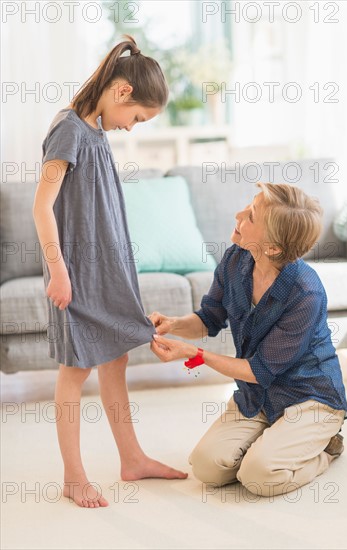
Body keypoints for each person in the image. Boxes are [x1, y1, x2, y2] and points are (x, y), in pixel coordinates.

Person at [33, 35, 187, 509]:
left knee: (115, 358)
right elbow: (42, 208)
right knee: (75, 369)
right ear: (122, 92)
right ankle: (73, 476)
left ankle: (132, 458)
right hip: (76, 275)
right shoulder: (68, 130)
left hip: (109, 272)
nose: (132, 127)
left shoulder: (95, 130)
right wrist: (58, 272)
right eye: (137, 118)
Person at [150, 182, 347, 498]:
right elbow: (208, 319)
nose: (239, 214)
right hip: (259, 395)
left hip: (308, 395)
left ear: (272, 248)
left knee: (259, 477)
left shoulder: (305, 293)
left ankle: (325, 447)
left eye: (251, 216)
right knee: (207, 468)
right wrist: (172, 325)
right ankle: (277, 439)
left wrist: (194, 354)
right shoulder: (235, 260)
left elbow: (258, 370)